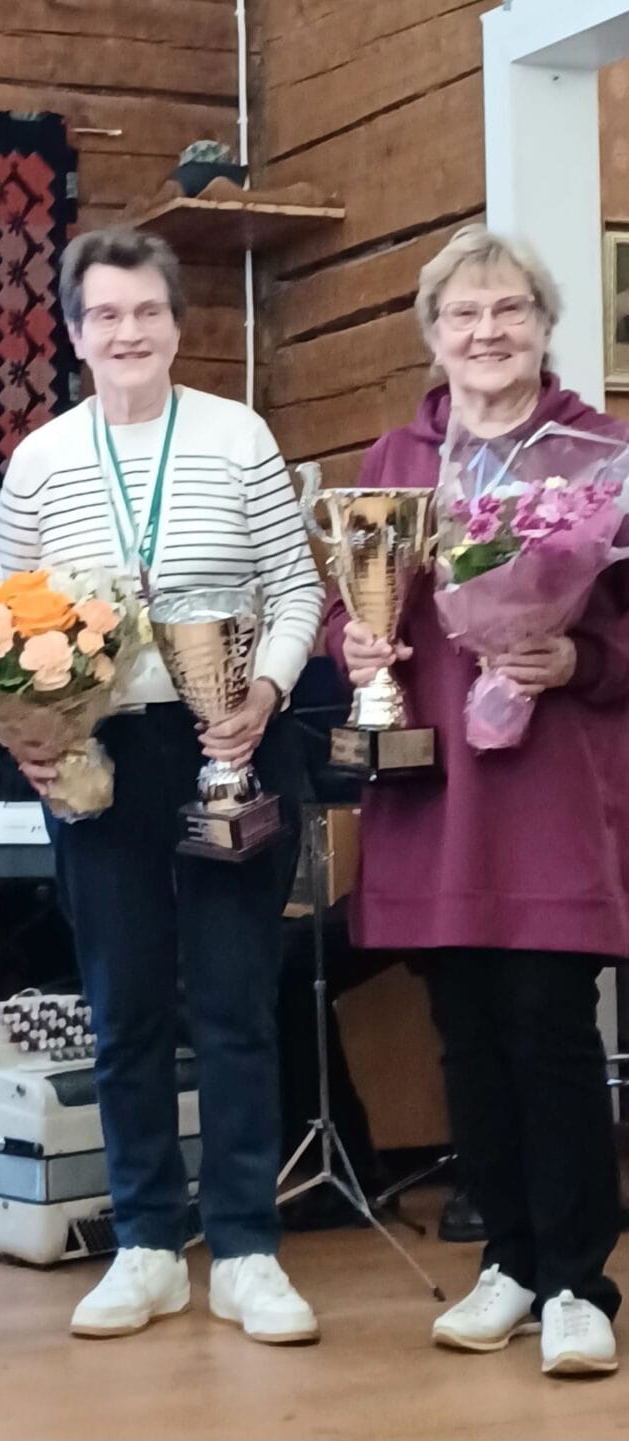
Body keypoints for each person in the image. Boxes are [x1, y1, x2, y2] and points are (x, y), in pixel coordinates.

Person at [0, 226, 324, 1345]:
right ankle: (144, 1243)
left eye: (147, 312)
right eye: (106, 315)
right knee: (123, 1002)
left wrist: (264, 693)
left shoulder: (238, 436)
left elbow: (297, 589)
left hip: (232, 742)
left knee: (234, 1001)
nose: (128, 332)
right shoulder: (41, 460)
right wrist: (28, 731)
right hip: (102, 759)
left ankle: (245, 1248)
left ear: (178, 326)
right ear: (76, 333)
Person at [327, 224, 629, 1378]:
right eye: (464, 314)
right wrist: (358, 644)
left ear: (545, 326)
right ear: (434, 334)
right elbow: (358, 606)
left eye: (509, 310)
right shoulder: (395, 457)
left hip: (552, 786)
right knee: (465, 1031)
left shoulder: (599, 453)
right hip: (434, 783)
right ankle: (507, 1259)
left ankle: (579, 1282)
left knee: (548, 1025)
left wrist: (580, 660)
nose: (487, 330)